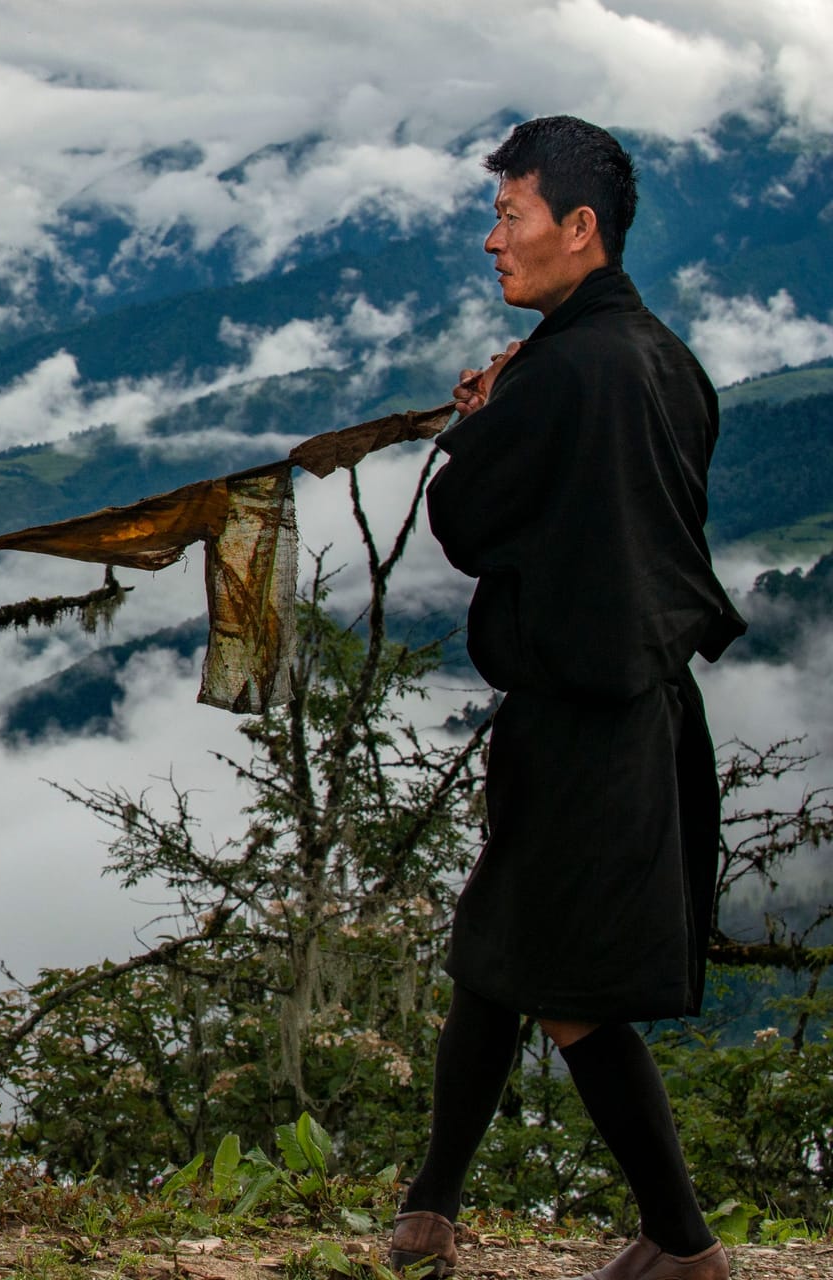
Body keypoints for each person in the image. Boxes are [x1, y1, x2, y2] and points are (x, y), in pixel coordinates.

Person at [389, 117, 747, 1280]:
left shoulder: (561, 372)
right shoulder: (662, 357)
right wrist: (508, 412)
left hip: (587, 718)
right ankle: (429, 1208)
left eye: (511, 214)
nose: (493, 240)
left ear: (578, 228)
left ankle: (683, 1244)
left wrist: (483, 424)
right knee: (499, 951)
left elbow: (467, 522)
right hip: (637, 705)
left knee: (569, 989)